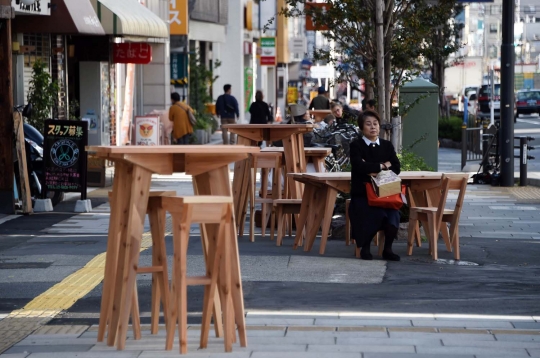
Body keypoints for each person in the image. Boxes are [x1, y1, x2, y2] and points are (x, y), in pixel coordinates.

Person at [348, 110, 401, 261]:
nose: (373, 127)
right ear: (361, 128)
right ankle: (365, 247)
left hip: (385, 194)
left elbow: (396, 167)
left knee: (393, 215)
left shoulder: (386, 145)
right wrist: (383, 166)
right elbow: (359, 167)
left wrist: (373, 167)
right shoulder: (356, 146)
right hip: (363, 193)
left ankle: (387, 249)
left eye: (375, 124)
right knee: (374, 214)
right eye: (368, 124)